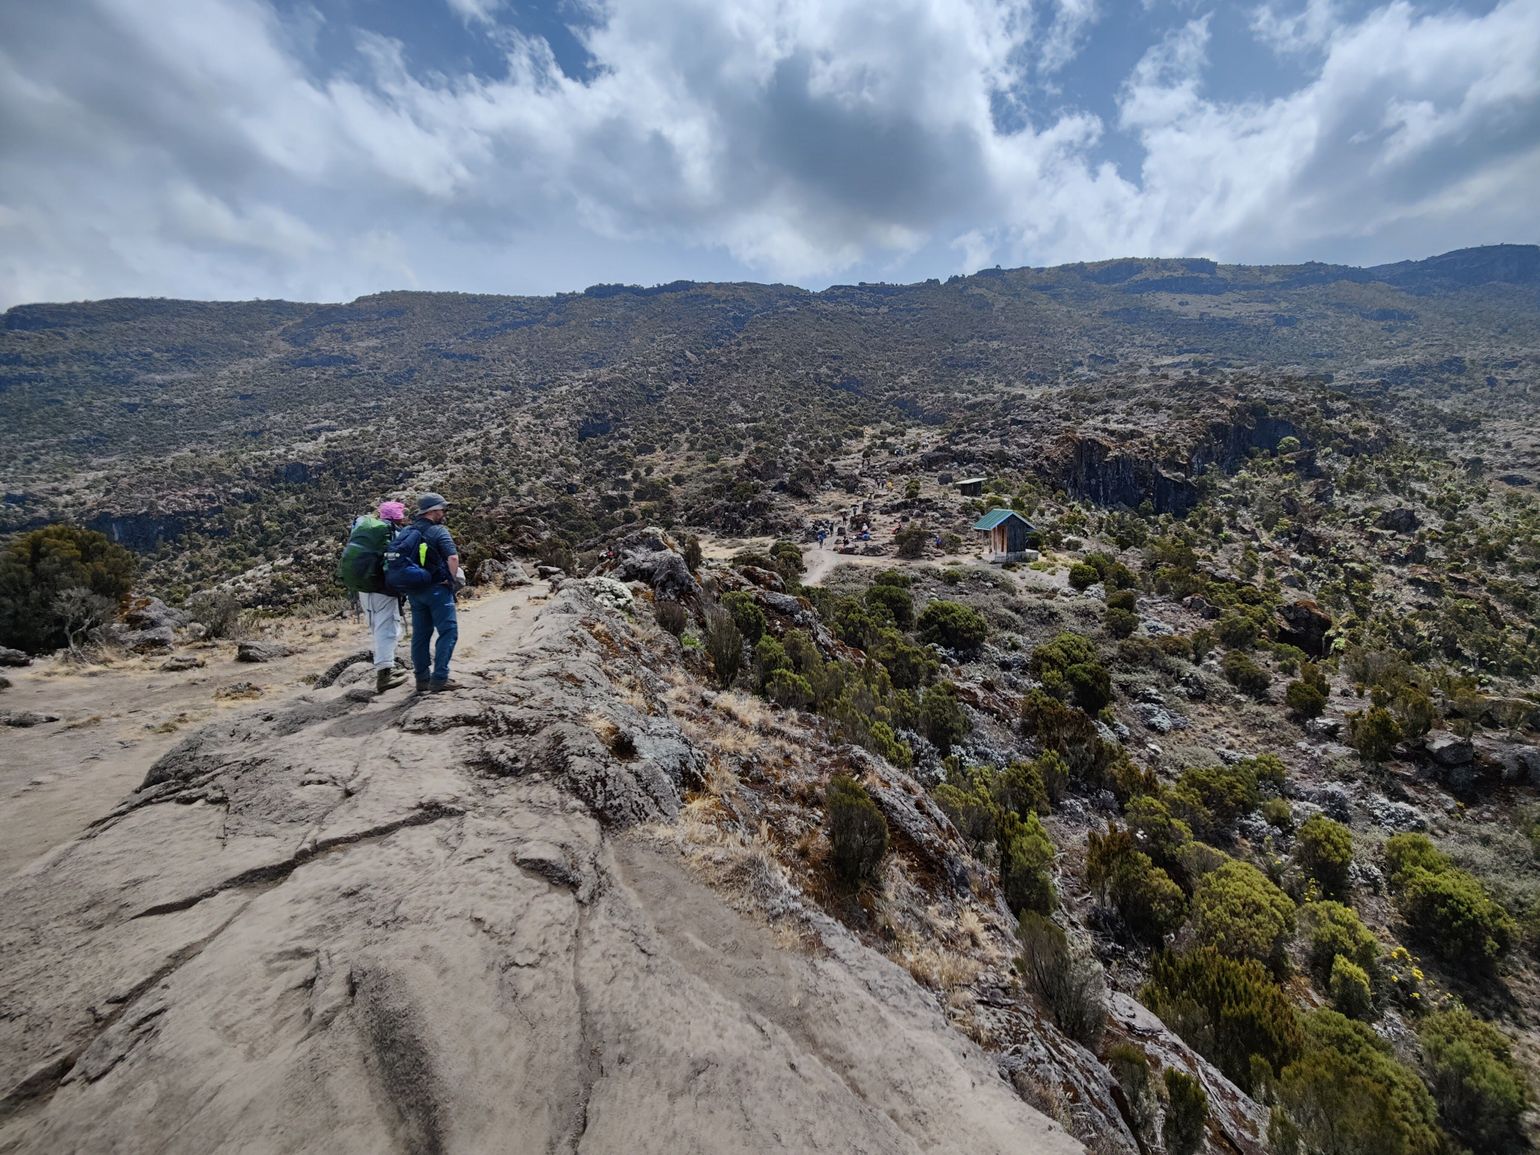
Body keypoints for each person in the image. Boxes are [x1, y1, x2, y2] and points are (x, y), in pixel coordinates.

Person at [392, 493, 464, 692]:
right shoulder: (438, 531)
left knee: (421, 635)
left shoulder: (408, 530)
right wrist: (451, 581)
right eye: (442, 509)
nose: (444, 513)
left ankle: (422, 679)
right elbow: (453, 558)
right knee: (448, 631)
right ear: (433, 511)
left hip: (415, 591)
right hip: (437, 589)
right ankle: (440, 678)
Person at [338, 500, 409, 693]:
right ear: (398, 517)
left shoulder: (366, 530)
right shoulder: (394, 533)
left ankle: (385, 664)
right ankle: (385, 674)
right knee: (387, 628)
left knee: (376, 626)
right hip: (383, 589)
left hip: (363, 588)